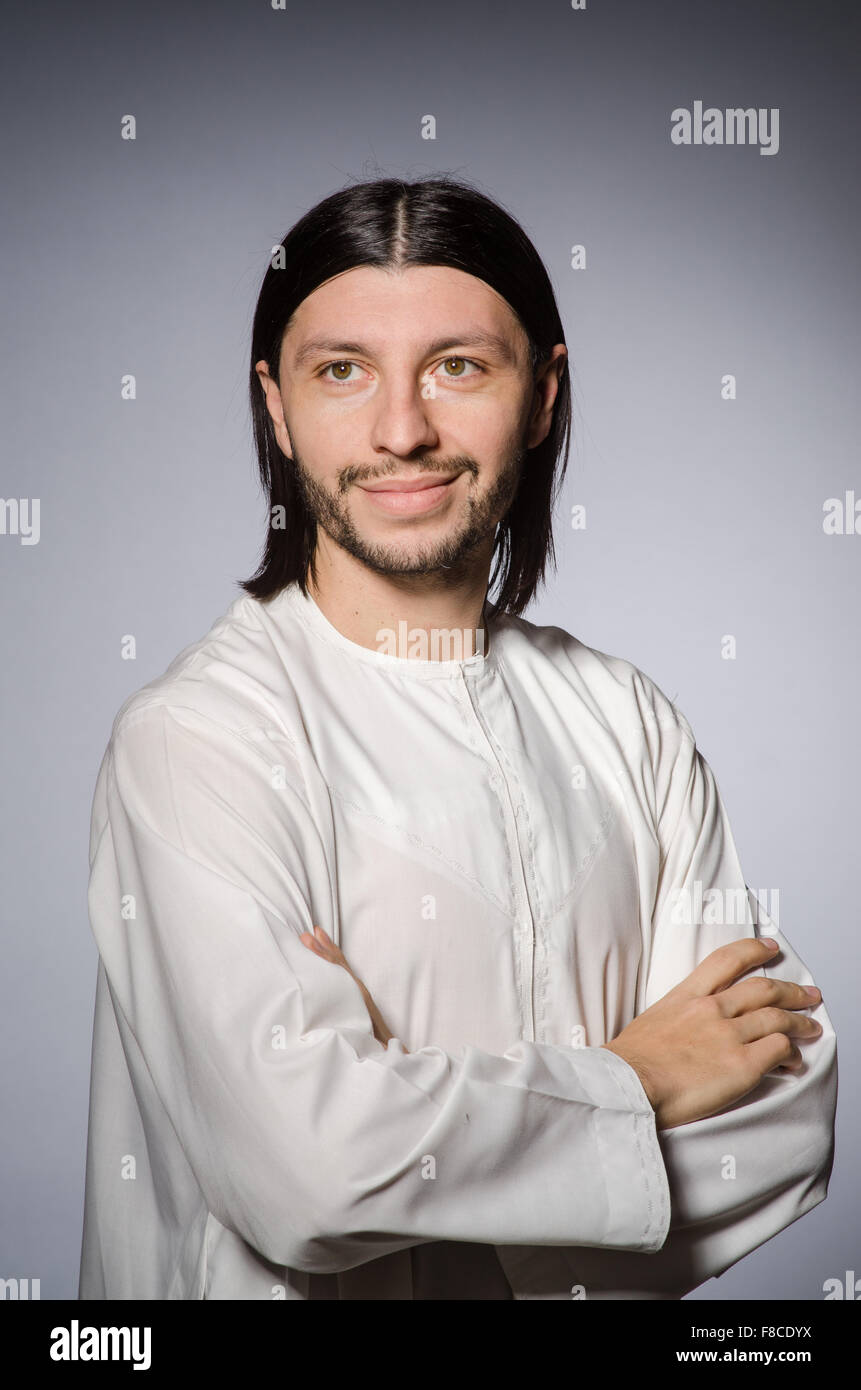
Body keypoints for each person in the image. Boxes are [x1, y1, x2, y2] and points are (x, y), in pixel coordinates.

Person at [78, 175, 836, 1301]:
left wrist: (414, 1101)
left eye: (458, 366)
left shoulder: (627, 720)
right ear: (278, 409)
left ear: (541, 395)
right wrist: (634, 1079)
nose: (401, 430)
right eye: (343, 370)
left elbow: (786, 1106)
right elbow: (311, 1174)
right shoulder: (198, 740)